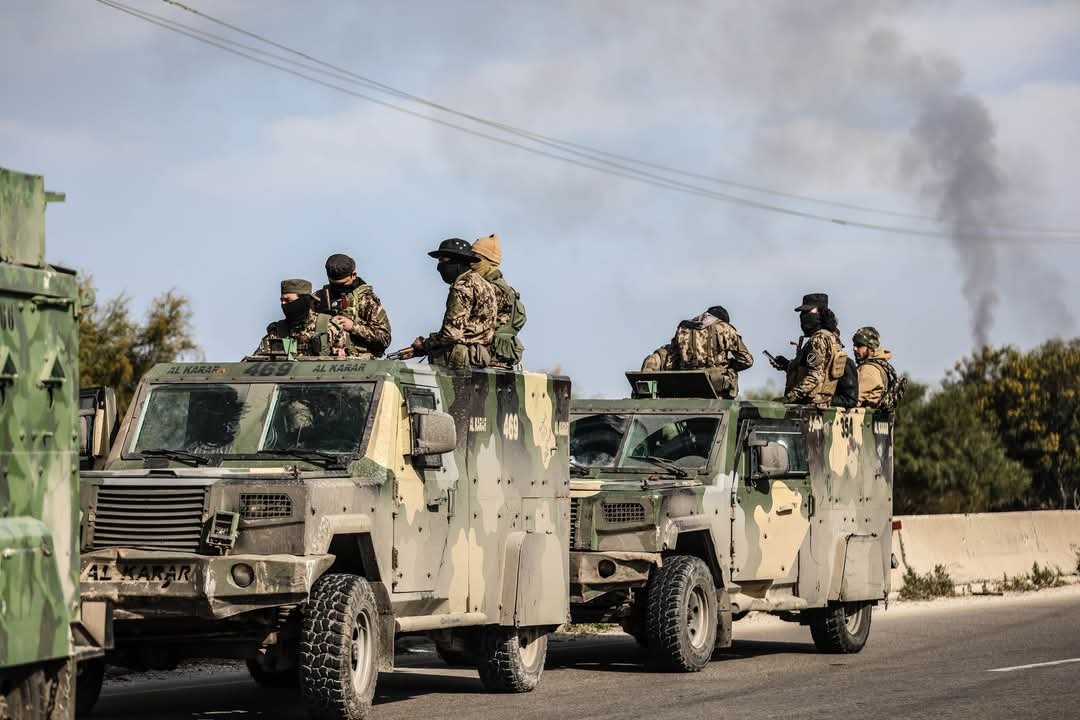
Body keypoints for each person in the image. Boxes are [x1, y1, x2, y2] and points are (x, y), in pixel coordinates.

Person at [399, 239, 497, 369]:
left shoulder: (462, 287)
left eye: (442, 260)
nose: (438, 267)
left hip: (458, 361)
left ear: (457, 261)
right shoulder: (485, 285)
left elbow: (451, 334)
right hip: (479, 359)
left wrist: (425, 344)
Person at [640, 305, 753, 399]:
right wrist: (730, 364)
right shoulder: (725, 328)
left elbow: (671, 360)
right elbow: (747, 361)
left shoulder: (684, 328)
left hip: (685, 383)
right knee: (731, 374)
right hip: (715, 385)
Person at [767, 293, 847, 407]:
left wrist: (790, 397)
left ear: (821, 313)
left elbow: (815, 377)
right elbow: (821, 369)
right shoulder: (832, 336)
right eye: (802, 312)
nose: (803, 316)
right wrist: (788, 365)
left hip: (811, 406)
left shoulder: (818, 339)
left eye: (808, 311)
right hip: (821, 404)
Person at [314, 253, 392, 358]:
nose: (339, 289)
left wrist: (353, 327)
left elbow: (384, 338)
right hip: (323, 360)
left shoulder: (367, 300)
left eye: (343, 284)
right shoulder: (319, 298)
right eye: (335, 285)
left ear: (353, 275)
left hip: (358, 362)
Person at [254, 278, 350, 358]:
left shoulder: (329, 327)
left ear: (304, 300)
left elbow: (352, 363)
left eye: (288, 300)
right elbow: (253, 363)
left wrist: (340, 357)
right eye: (282, 300)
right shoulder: (277, 332)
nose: (283, 304)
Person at [471, 234, 527, 368]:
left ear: (489, 261)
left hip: (484, 361)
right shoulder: (507, 290)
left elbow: (468, 330)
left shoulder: (491, 290)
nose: (470, 263)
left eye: (475, 258)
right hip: (501, 363)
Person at [853, 326, 902, 410]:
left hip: (864, 417)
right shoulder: (883, 366)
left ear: (870, 348)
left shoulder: (869, 369)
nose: (854, 348)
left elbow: (853, 400)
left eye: (859, 345)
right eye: (854, 345)